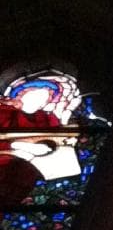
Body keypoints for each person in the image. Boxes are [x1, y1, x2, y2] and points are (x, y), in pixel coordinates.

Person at [0, 74, 81, 209]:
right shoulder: (4, 111)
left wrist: (68, 138)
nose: (39, 102)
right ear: (20, 94)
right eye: (35, 96)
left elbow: (58, 137)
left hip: (22, 173)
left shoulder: (46, 118)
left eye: (44, 99)